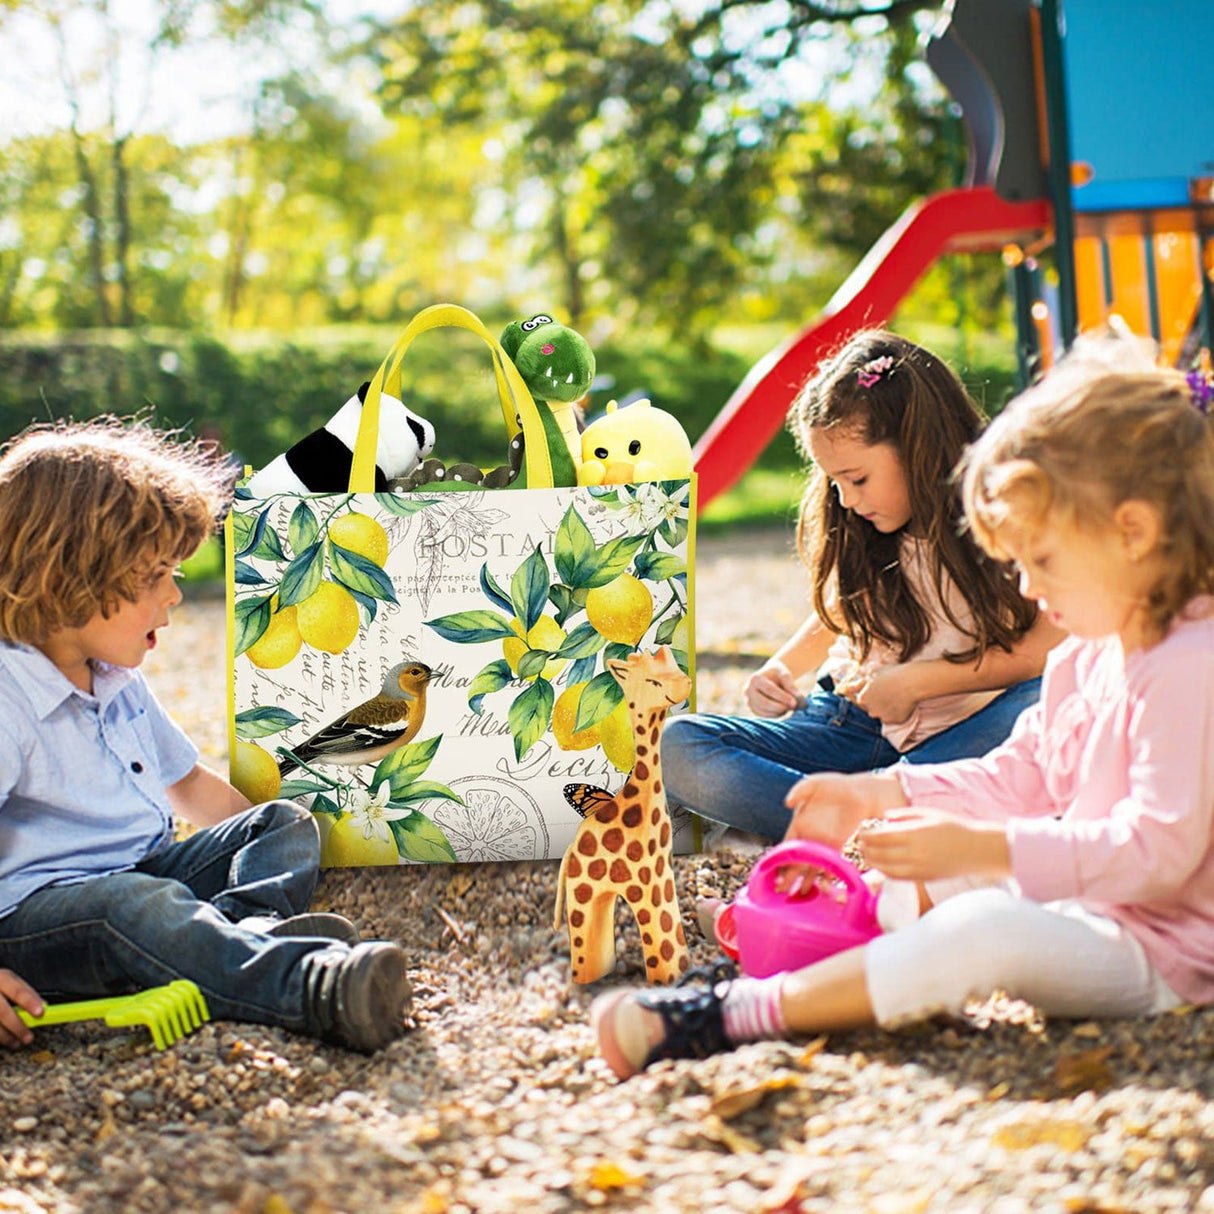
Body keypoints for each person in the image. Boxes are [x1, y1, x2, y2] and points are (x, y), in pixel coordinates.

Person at [594, 335, 1214, 1078]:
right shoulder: (1091, 648)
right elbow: (1026, 772)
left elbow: (1154, 855)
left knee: (982, 930)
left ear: (1134, 533)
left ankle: (729, 1016)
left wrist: (984, 849)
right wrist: (882, 791)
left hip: (1164, 949)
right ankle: (809, 956)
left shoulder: (1188, 663)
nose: (1024, 588)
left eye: (1040, 561)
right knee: (916, 886)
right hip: (1088, 902)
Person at [0, 419, 410, 1052]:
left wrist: (258, 832)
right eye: (152, 576)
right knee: (133, 907)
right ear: (67, 578)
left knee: (281, 824)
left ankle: (236, 942)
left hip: (143, 877)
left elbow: (187, 783)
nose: (174, 596)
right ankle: (310, 985)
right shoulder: (8, 697)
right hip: (41, 924)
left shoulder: (114, 678)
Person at [663, 330, 1061, 842]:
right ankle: (873, 812)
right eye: (834, 482)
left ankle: (836, 809)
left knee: (1048, 701)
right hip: (846, 725)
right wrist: (781, 668)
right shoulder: (863, 523)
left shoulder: (1009, 511)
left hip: (964, 728)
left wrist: (918, 683)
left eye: (858, 479)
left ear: (917, 447)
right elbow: (842, 607)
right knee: (680, 745)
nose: (846, 500)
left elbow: (1038, 656)